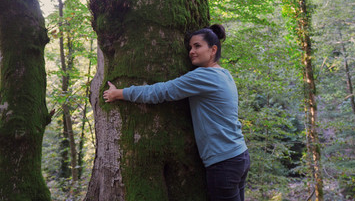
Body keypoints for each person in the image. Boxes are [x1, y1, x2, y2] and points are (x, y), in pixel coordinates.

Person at [103, 24, 250, 201]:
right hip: (239, 155)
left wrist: (120, 93)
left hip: (224, 162)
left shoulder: (204, 76)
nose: (191, 51)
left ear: (213, 50)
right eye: (190, 47)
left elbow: (161, 91)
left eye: (197, 46)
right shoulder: (224, 74)